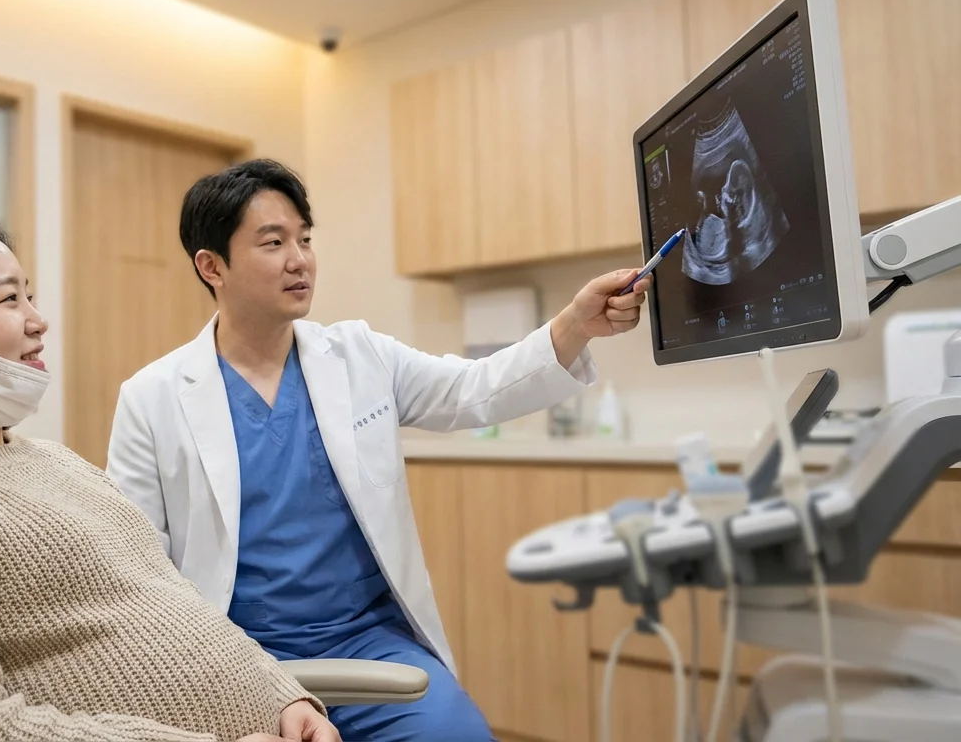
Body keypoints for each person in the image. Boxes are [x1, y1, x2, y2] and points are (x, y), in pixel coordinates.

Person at [105, 160, 649, 742]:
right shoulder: (151, 399)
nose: (299, 259)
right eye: (273, 242)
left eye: (304, 239)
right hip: (238, 660)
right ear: (211, 266)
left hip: (372, 644)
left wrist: (575, 325)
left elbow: (475, 389)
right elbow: (138, 573)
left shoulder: (360, 355)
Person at [0, 207, 340, 742]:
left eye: (29, 296)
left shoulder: (57, 462)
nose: (38, 320)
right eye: (10, 299)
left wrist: (284, 696)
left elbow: (171, 600)